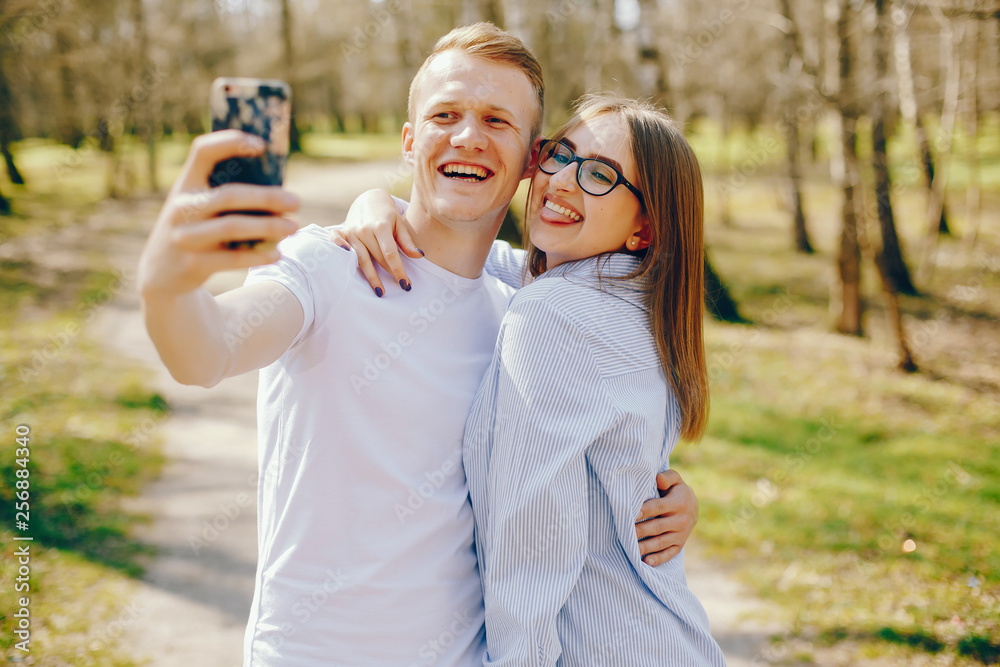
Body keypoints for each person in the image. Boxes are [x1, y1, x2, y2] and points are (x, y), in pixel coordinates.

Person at [138, 23, 697, 666]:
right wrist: (166, 288)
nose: (467, 136)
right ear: (410, 141)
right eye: (445, 115)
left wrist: (665, 499)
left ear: (530, 161)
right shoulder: (331, 265)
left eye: (495, 120)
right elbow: (205, 351)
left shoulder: (524, 305)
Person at [333, 94, 724, 664]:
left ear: (645, 228)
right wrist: (375, 203)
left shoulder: (555, 315)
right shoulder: (633, 301)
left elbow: (530, 540)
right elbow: (480, 260)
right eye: (560, 155)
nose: (562, 181)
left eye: (599, 175)